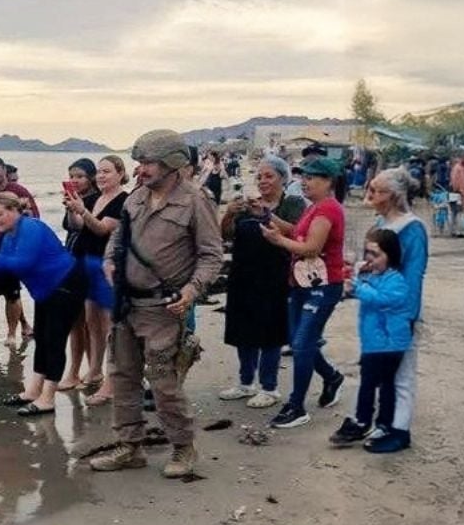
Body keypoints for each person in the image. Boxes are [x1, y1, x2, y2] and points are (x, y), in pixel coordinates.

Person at [89, 129, 222, 479]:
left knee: (163, 383)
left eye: (148, 163)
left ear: (173, 164)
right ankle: (129, 446)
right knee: (122, 377)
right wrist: (109, 261)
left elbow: (211, 257)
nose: (141, 169)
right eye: (140, 162)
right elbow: (118, 237)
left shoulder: (196, 201)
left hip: (164, 309)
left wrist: (192, 292)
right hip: (125, 306)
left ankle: (183, 447)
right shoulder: (134, 199)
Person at [0, 192, 86, 416]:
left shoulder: (31, 227)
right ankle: (33, 391)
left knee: (54, 339)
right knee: (41, 337)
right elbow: (5, 268)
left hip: (66, 283)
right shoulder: (9, 236)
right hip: (44, 291)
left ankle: (48, 397)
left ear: (15, 211)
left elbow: (24, 263)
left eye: (0, 214)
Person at [259, 158, 348, 429]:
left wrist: (278, 241)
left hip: (323, 285)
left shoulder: (328, 211)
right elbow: (296, 232)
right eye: (304, 177)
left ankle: (297, 405)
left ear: (328, 182)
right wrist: (269, 218)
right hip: (302, 283)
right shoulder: (315, 208)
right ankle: (331, 377)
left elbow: (311, 247)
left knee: (301, 343)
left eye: (311, 178)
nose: (305, 182)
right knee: (300, 341)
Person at [217, 156, 304, 409]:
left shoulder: (293, 203)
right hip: (243, 274)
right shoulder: (246, 205)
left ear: (283, 178)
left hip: (275, 276)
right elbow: (225, 235)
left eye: (269, 176)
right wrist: (229, 214)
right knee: (242, 330)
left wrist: (267, 215)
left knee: (271, 333)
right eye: (260, 176)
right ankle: (246, 383)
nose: (263, 181)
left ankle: (270, 387)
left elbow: (297, 231)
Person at [359, 167, 429, 451]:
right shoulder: (382, 223)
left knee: (402, 374)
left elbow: (413, 277)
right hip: (377, 313)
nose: (370, 195)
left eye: (375, 190)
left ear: (392, 195)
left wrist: (407, 317)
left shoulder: (412, 229)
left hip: (399, 314)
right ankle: (384, 424)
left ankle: (400, 430)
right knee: (382, 373)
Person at [330, 229, 411, 450]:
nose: (370, 259)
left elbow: (383, 300)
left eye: (375, 255)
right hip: (374, 343)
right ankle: (380, 423)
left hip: (388, 344)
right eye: (368, 254)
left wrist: (359, 286)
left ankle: (364, 421)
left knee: (374, 385)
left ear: (390, 255)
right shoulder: (375, 277)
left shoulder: (397, 280)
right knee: (379, 384)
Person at [60, 156, 128, 406]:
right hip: (87, 264)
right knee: (91, 322)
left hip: (108, 267)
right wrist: (72, 208)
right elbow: (79, 226)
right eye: (98, 172)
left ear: (120, 173)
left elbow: (102, 228)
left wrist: (83, 211)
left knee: (110, 325)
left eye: (106, 172)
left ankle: (113, 377)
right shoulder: (94, 198)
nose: (100, 176)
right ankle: (95, 369)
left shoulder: (124, 200)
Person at [0, 156, 36, 342]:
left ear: (4, 171)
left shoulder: (18, 191)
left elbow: (35, 218)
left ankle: (11, 334)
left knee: (12, 295)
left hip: (13, 250)